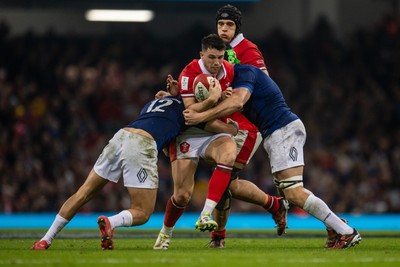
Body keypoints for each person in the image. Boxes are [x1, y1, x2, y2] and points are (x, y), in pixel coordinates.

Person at [183, 64, 362, 249]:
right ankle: (334, 226)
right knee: (289, 192)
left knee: (293, 192)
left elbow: (237, 103)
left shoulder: (245, 72)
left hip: (283, 129)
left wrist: (201, 116)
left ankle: (346, 232)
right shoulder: (233, 85)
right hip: (275, 132)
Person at [31, 95, 237, 250]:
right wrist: (228, 121)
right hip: (142, 144)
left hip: (121, 136)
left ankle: (45, 239)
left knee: (83, 193)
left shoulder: (154, 102)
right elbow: (204, 119)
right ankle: (111, 222)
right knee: (142, 212)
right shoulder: (189, 109)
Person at [153, 34, 288, 250]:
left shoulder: (230, 70)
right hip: (189, 133)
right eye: (211, 58)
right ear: (201, 55)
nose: (216, 63)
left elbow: (233, 103)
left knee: (228, 156)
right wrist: (212, 101)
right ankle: (165, 234)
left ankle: (207, 216)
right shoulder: (189, 73)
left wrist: (223, 109)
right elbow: (190, 114)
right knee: (182, 195)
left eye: (220, 57)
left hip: (218, 131)